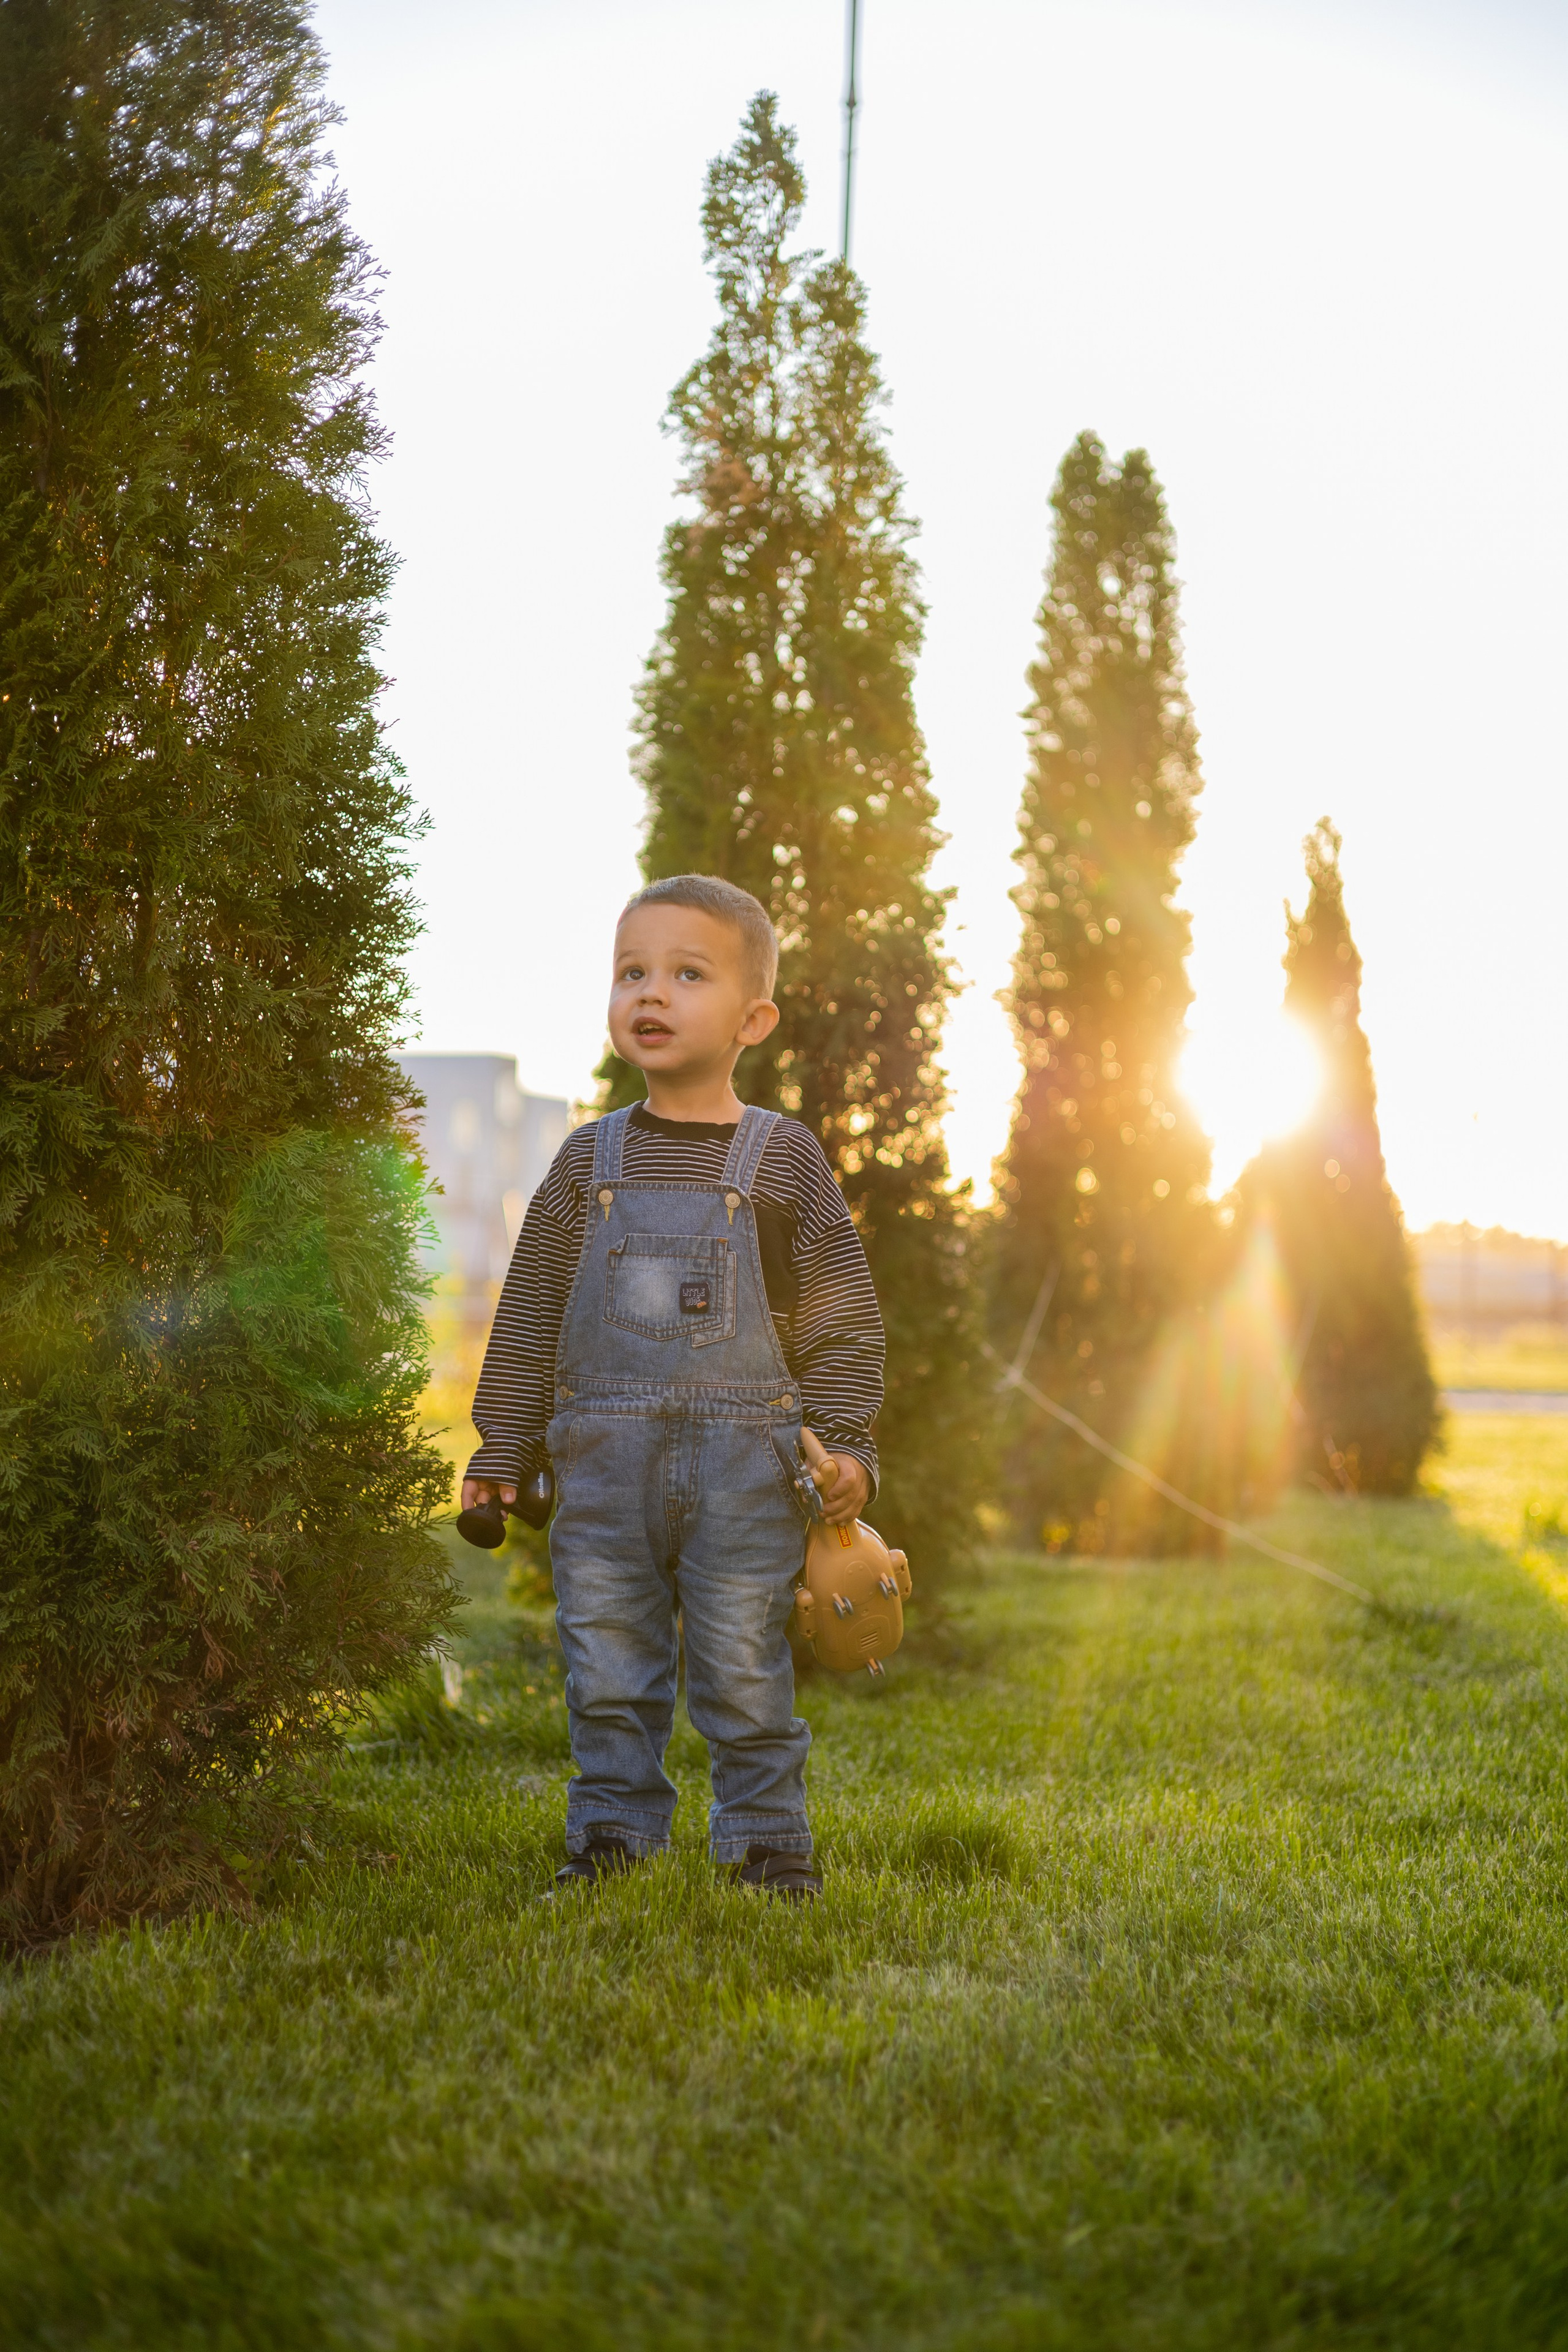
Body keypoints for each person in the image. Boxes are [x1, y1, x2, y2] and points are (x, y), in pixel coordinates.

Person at [462, 874, 884, 1901]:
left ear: (752, 1018)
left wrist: (850, 1446)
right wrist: (500, 1447)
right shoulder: (582, 1161)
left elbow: (842, 1312)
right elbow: (528, 1318)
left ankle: (766, 1842)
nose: (651, 994)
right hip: (604, 1471)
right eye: (631, 973)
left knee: (744, 1665)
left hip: (750, 1470)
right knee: (606, 1661)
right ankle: (611, 1838)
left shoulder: (781, 1158)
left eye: (686, 975)